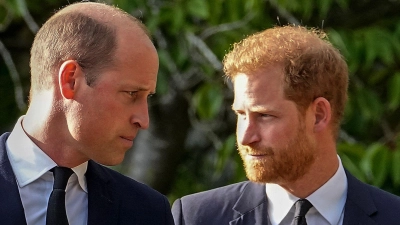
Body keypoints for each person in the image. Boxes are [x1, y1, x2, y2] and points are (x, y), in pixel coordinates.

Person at [171, 25, 400, 225]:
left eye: (264, 116)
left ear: (319, 115)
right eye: (241, 114)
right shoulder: (196, 217)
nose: (245, 137)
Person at [0, 2, 174, 225]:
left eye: (147, 97)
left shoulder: (148, 211)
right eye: (131, 93)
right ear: (70, 80)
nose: (143, 120)